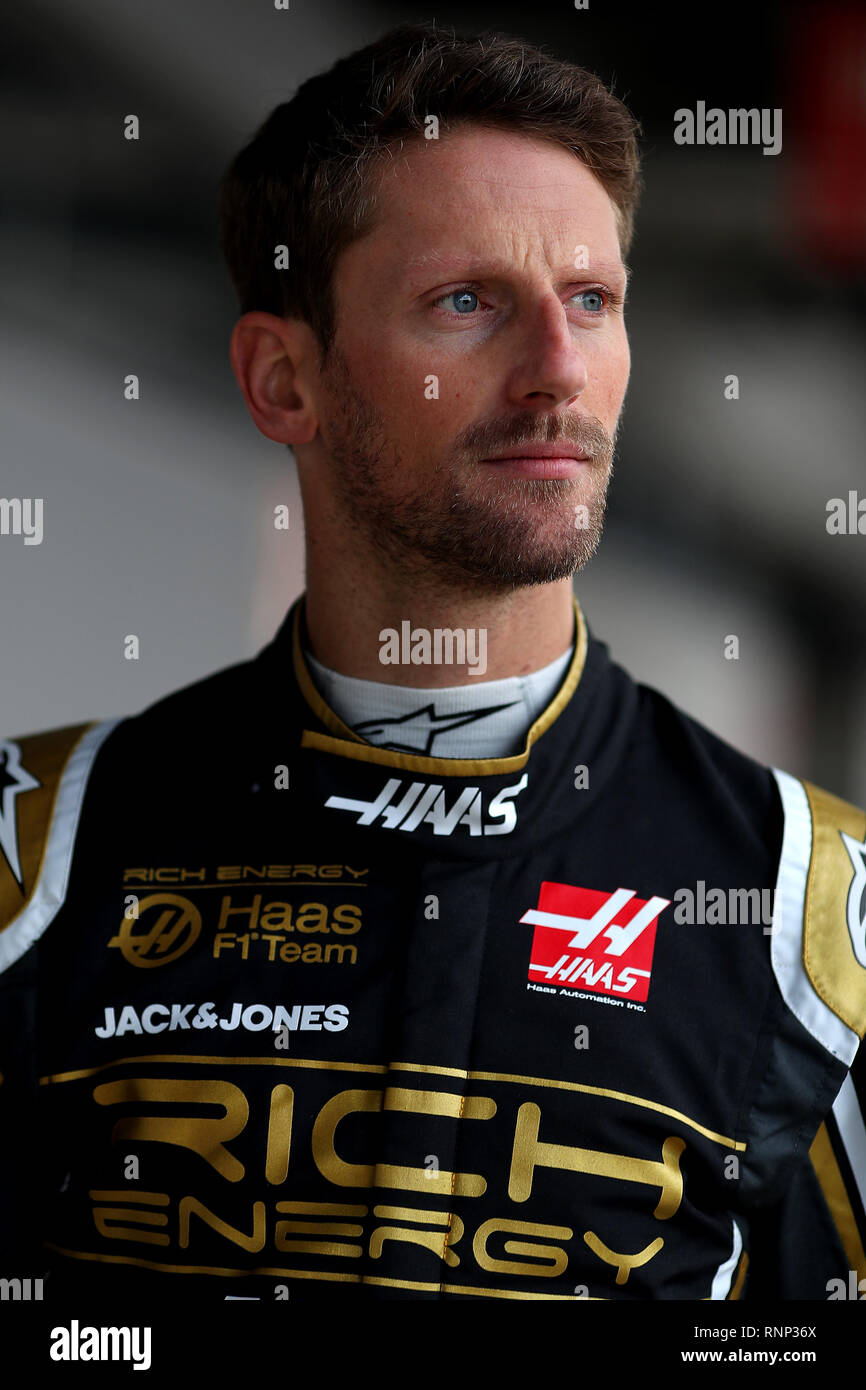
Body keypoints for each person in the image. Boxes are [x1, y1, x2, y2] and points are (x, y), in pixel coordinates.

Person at [1, 21, 864, 1303]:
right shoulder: (35, 852)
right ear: (283, 378)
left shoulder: (818, 913)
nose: (557, 372)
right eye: (466, 303)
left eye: (592, 301)